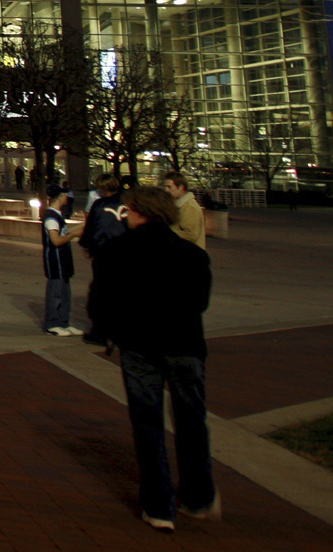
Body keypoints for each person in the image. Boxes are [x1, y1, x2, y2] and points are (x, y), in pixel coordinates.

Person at [91, 184, 217, 531]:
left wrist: (111, 329)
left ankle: (159, 506)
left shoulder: (116, 252)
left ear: (141, 212)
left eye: (129, 210)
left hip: (139, 347)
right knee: (192, 422)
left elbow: (100, 302)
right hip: (185, 346)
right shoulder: (192, 256)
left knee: (148, 425)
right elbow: (200, 303)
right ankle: (198, 496)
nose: (126, 215)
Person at [78, 173, 130, 345]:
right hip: (125, 255)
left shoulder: (100, 205)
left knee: (100, 293)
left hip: (104, 254)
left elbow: (92, 228)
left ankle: (100, 332)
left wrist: (88, 246)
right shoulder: (128, 204)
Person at [41, 186, 80, 335]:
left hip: (63, 260)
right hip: (55, 261)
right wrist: (73, 235)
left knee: (65, 294)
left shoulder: (57, 214)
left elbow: (66, 231)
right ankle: (52, 325)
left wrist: (84, 226)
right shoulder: (51, 217)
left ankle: (64, 323)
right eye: (66, 195)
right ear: (61, 197)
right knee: (55, 293)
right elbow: (56, 240)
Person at [165, 171, 206, 249]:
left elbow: (191, 235)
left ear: (181, 187)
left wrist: (167, 233)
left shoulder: (190, 207)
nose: (166, 190)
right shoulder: (180, 204)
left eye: (169, 187)